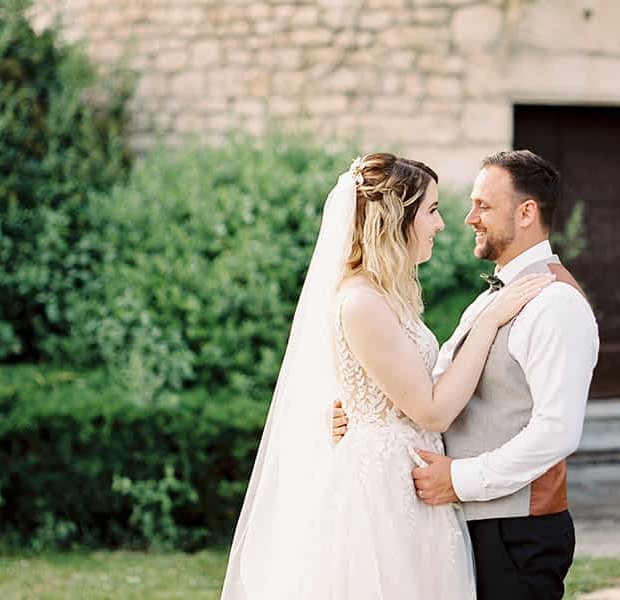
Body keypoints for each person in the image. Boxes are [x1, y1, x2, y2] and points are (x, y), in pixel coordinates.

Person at [220, 152, 555, 599]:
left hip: (409, 479)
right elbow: (432, 410)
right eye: (431, 211)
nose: (441, 224)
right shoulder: (361, 303)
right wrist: (491, 320)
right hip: (377, 491)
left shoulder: (388, 296)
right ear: (397, 217)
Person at [333, 150, 600, 600]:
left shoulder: (557, 304)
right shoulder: (494, 298)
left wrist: (460, 480)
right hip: (467, 521)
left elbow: (558, 431)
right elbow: (430, 390)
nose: (468, 218)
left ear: (527, 212)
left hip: (517, 532)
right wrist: (360, 413)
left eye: (484, 205)